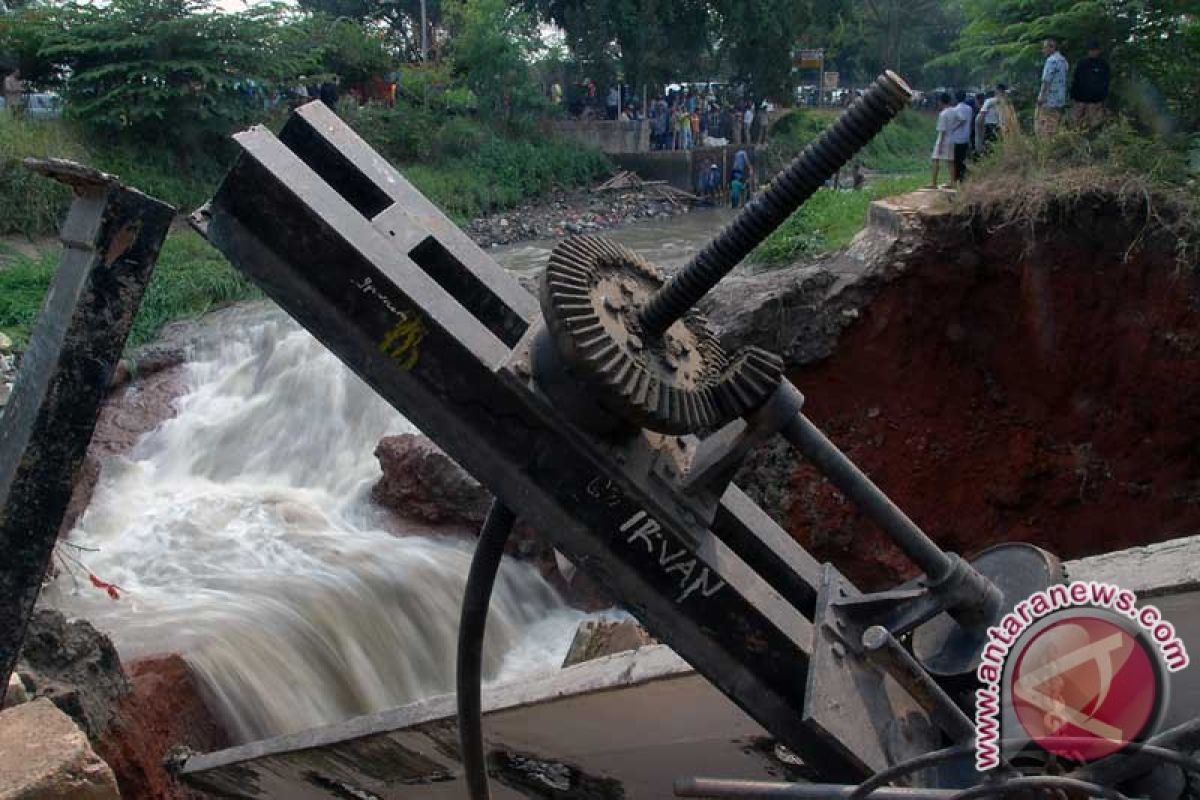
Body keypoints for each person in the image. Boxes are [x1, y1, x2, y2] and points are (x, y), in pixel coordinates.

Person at [1070, 40, 1110, 129]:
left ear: (1098, 51)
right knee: (1076, 123)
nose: (1093, 52)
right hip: (1080, 100)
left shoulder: (1103, 65)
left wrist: (1103, 98)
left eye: (1095, 50)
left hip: (1095, 101)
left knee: (1095, 125)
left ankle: (1093, 140)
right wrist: (1073, 97)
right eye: (1091, 50)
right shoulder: (1082, 64)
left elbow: (1106, 83)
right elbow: (1075, 80)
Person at [1036, 37, 1069, 138]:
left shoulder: (1051, 61)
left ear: (1052, 48)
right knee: (1055, 125)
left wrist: (1041, 98)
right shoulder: (1063, 60)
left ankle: (1047, 149)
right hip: (1060, 99)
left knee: (1046, 127)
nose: (1043, 50)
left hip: (1049, 99)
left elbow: (1046, 81)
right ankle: (1054, 146)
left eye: (1045, 47)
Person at [929, 93, 956, 188]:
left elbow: (942, 131)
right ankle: (953, 181)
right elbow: (961, 120)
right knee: (950, 161)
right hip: (952, 138)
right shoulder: (954, 111)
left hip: (943, 139)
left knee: (935, 159)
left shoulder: (943, 114)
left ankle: (933, 182)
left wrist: (940, 145)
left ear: (941, 102)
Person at [951, 90, 973, 183]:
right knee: (963, 158)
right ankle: (963, 177)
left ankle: (957, 177)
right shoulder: (969, 109)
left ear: (956, 98)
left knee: (956, 159)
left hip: (957, 137)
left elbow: (962, 120)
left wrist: (953, 128)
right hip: (966, 136)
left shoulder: (955, 109)